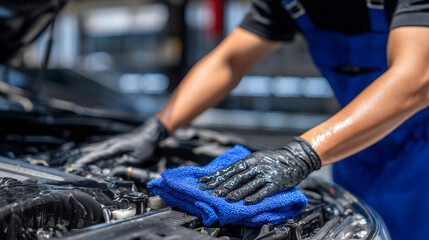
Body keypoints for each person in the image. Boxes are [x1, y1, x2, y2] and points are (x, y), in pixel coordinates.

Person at [70, 0, 429, 239]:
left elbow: (416, 78)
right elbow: (228, 62)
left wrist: (298, 155)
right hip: (359, 153)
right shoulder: (289, 2)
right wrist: (157, 127)